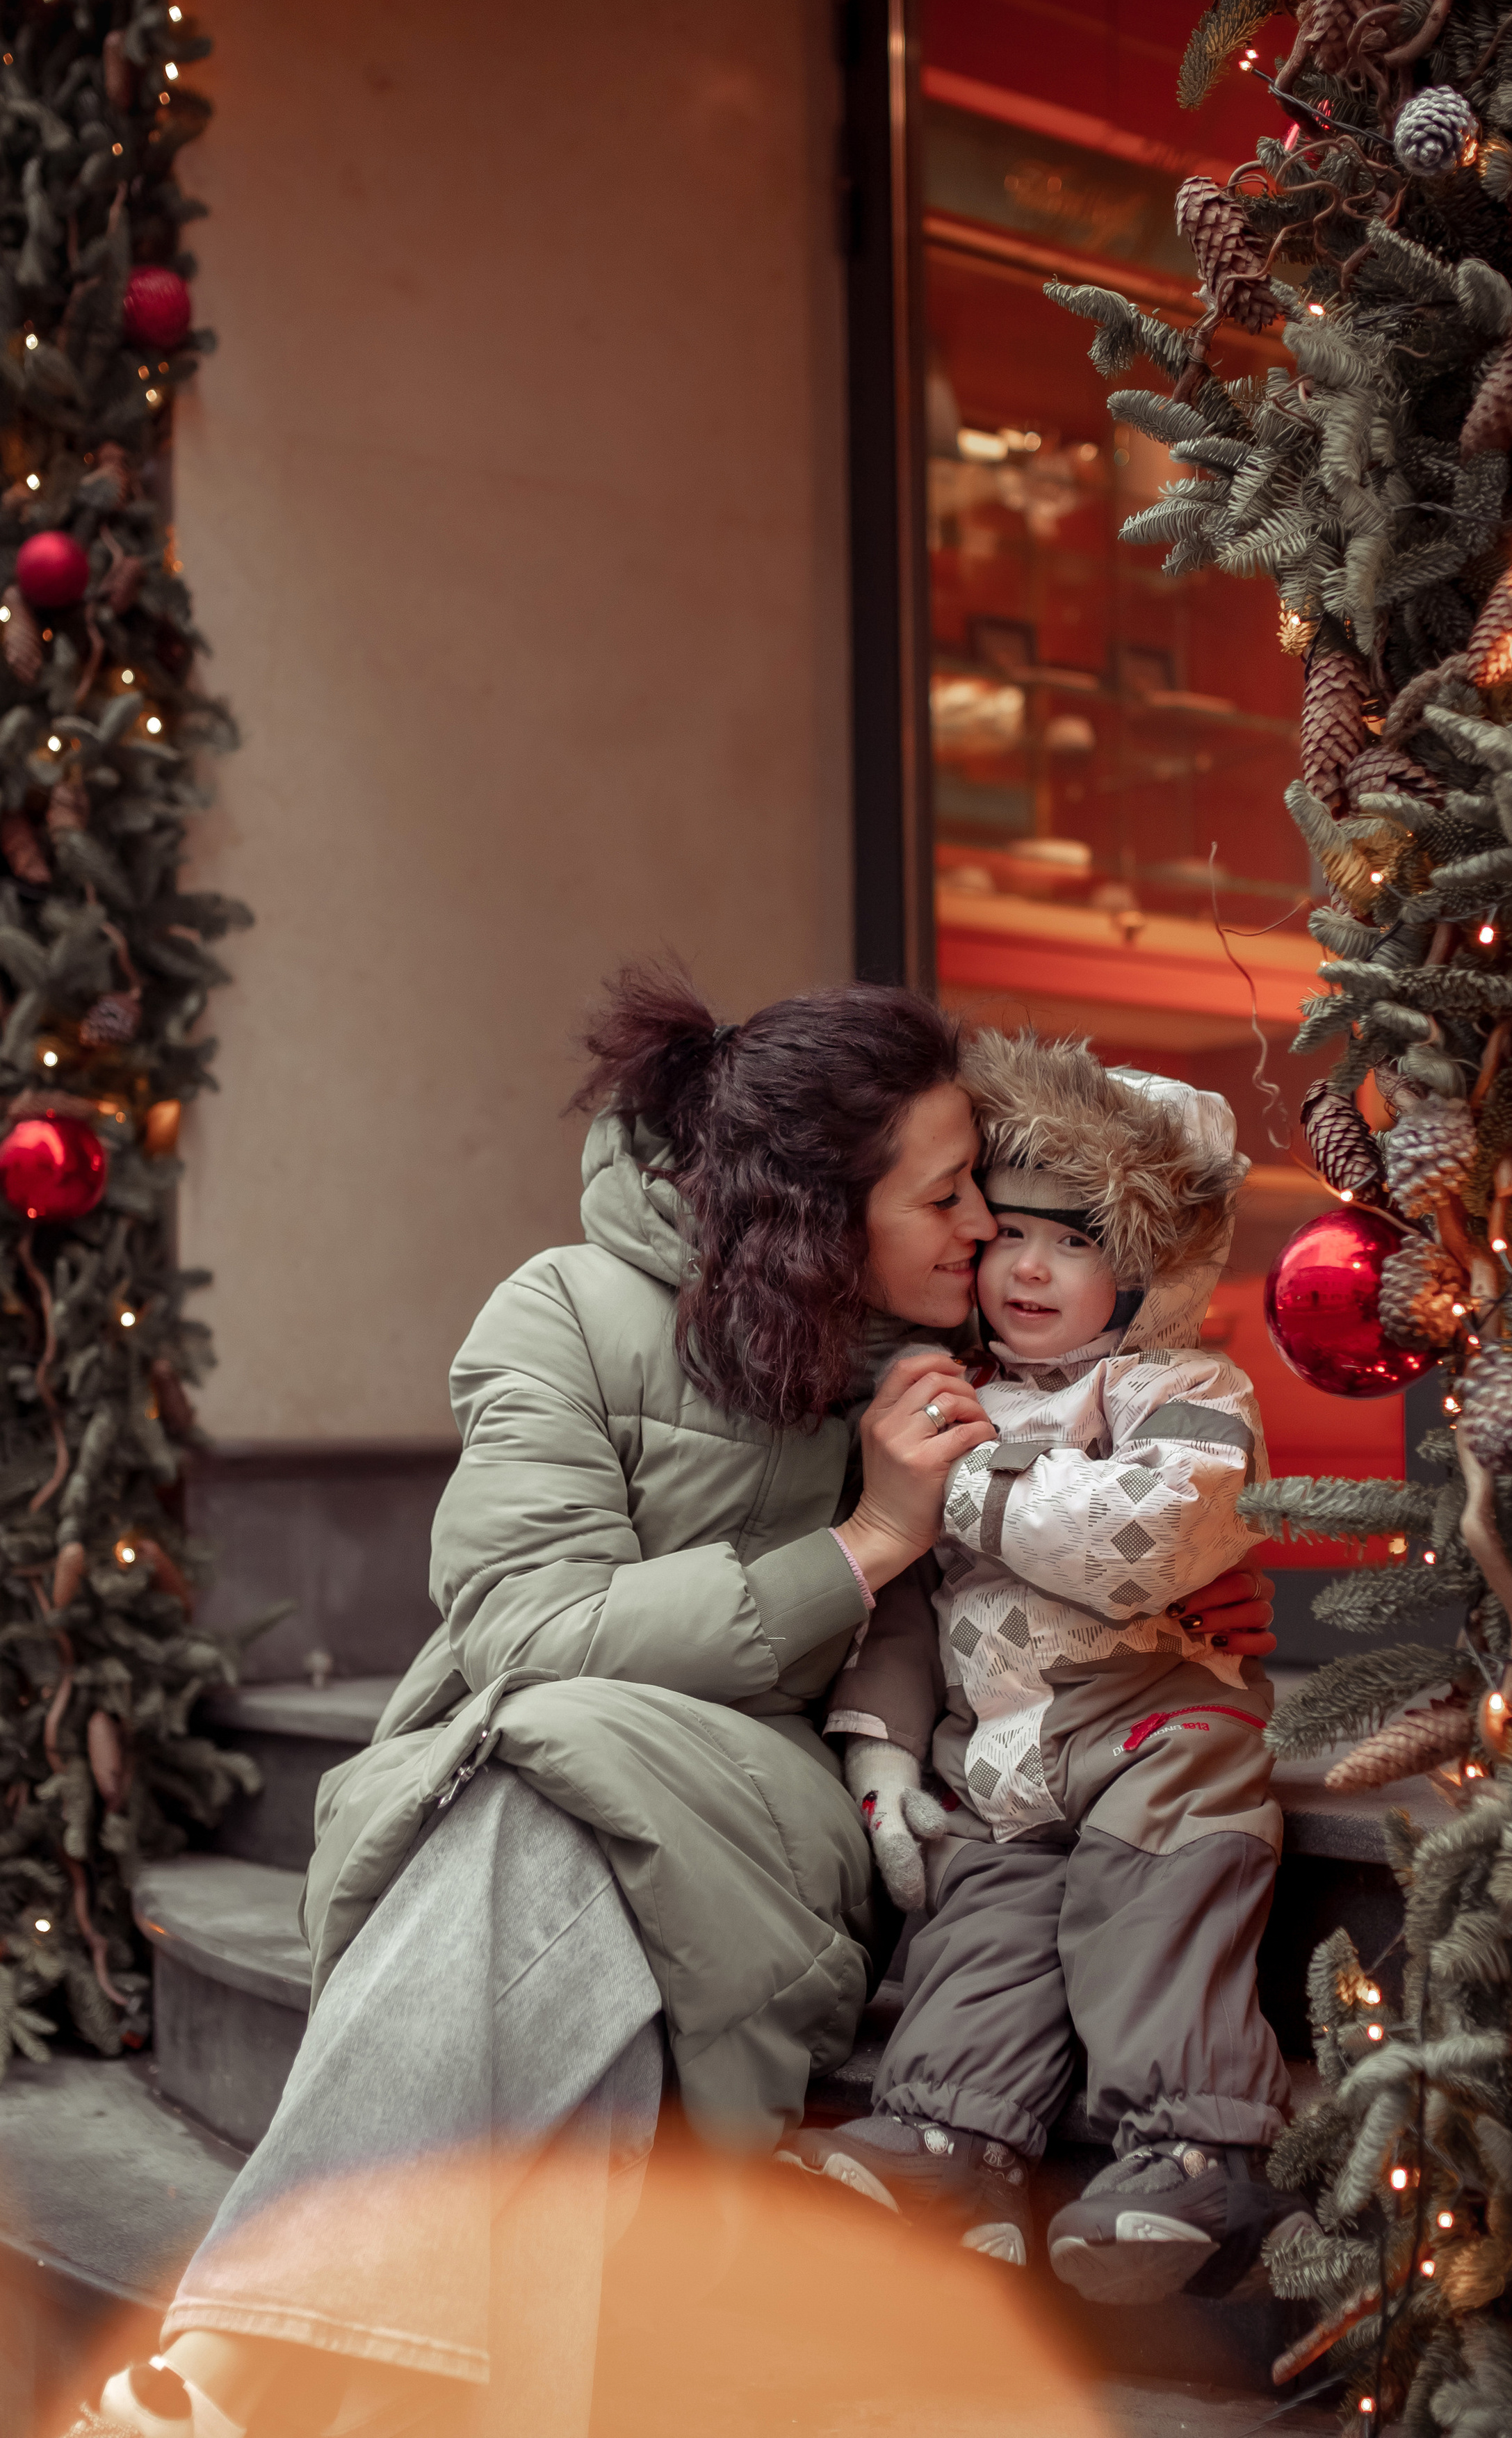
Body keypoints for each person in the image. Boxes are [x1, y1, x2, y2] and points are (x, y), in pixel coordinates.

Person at [69, 973, 1278, 2438]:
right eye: (950, 1196)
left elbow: (1112, 1478)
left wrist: (1172, 1593)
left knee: (541, 1783)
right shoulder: (564, 1313)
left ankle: (230, 2372)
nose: (984, 1234)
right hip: (545, 1753)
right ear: (823, 1209)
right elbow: (523, 1624)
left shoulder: (951, 1356)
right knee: (550, 1802)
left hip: (784, 1794)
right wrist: (864, 1543)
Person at [787, 1033, 1310, 2307]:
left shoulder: (1181, 1385)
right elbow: (900, 1607)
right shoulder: (945, 1386)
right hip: (1004, 1754)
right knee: (986, 1921)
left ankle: (1198, 2146)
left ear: (1150, 1264)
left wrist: (955, 1478)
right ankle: (950, 2143)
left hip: (1153, 1728)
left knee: (1154, 1894)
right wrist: (880, 1755)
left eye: (1076, 1241)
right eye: (1011, 1233)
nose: (1028, 1266)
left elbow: (1148, 1535)